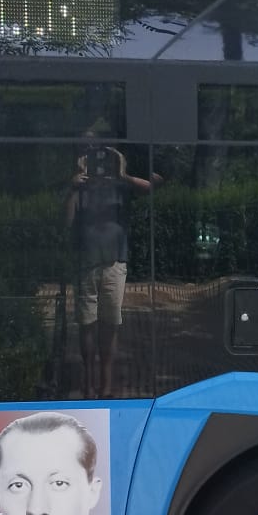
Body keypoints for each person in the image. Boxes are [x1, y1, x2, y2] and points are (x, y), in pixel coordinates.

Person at [65, 126, 160, 399]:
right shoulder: (80, 186)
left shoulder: (119, 184)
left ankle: (105, 384)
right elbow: (67, 222)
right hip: (86, 262)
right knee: (86, 323)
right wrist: (74, 188)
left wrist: (123, 175)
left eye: (97, 149)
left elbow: (152, 187)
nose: (93, 154)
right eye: (86, 148)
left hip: (114, 262)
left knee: (110, 323)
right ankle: (88, 381)